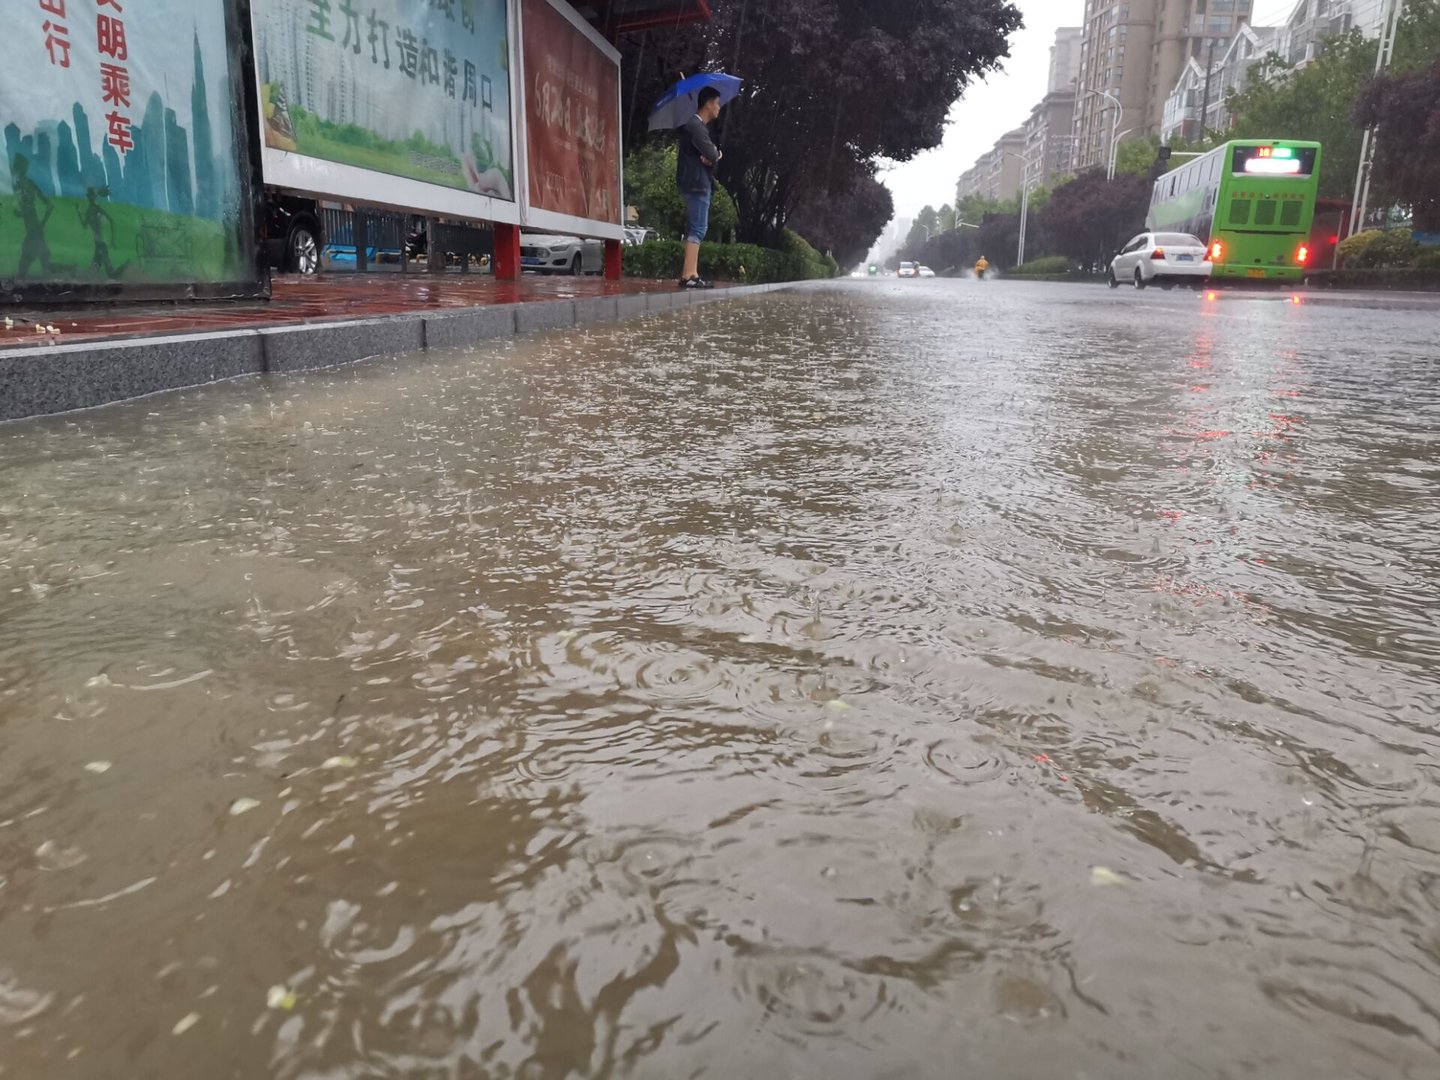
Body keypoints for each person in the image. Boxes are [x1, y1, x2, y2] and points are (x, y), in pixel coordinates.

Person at [676, 86, 724, 289]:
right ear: (708, 103)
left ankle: (692, 273)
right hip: (696, 183)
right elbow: (712, 154)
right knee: (698, 227)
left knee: (698, 227)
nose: (719, 108)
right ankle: (688, 276)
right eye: (717, 103)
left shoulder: (697, 127)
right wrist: (715, 155)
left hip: (697, 181)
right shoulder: (695, 126)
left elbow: (708, 156)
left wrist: (711, 156)